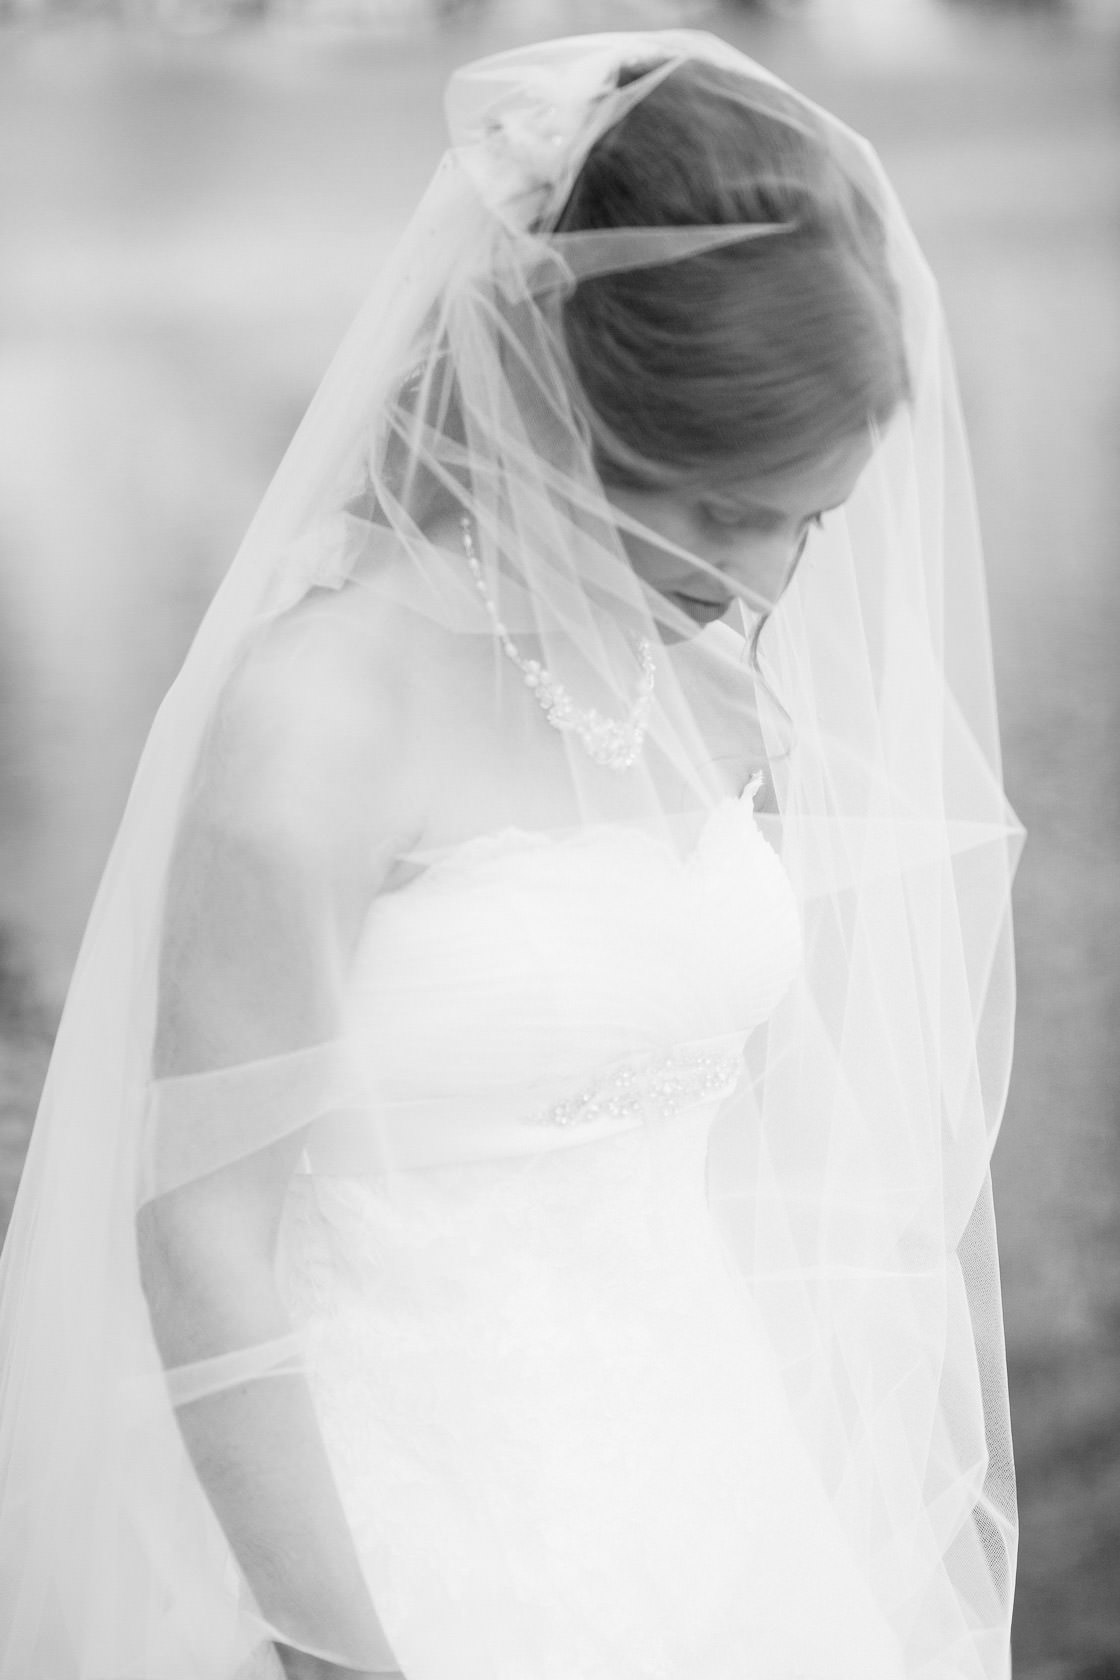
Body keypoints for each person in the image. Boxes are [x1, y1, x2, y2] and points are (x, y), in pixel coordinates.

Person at [0, 30, 1023, 1680]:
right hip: (382, 1519)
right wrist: (337, 1652)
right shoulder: (317, 728)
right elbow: (199, 1239)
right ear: (555, 411)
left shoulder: (701, 681)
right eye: (715, 517)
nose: (762, 582)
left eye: (806, 521)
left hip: (696, 1471)